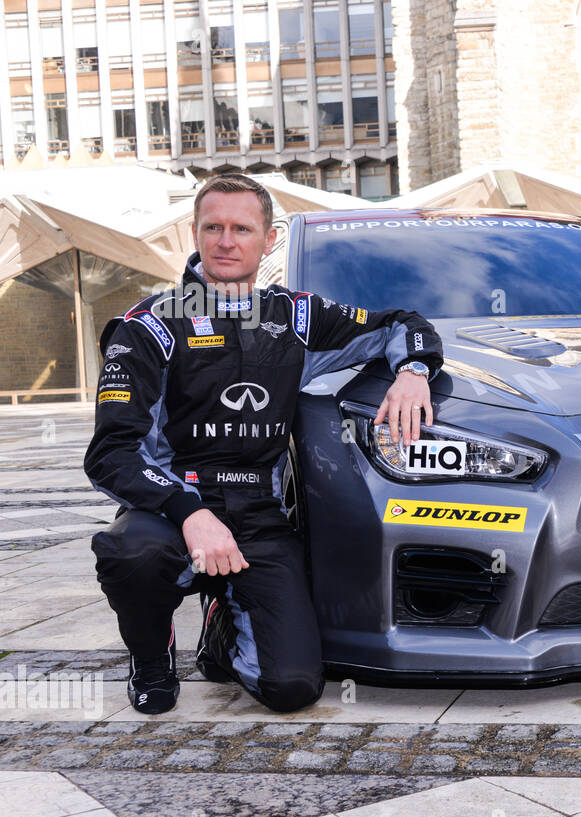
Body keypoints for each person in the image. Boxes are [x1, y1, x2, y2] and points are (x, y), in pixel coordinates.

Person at [85, 174, 442, 714]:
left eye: (241, 229)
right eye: (214, 228)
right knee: (131, 553)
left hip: (259, 515)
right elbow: (110, 454)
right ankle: (152, 658)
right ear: (196, 233)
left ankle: (222, 625)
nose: (227, 241)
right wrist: (188, 511)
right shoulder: (150, 325)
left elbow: (402, 323)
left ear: (268, 239)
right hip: (171, 509)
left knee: (292, 688)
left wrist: (414, 371)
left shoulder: (296, 317)